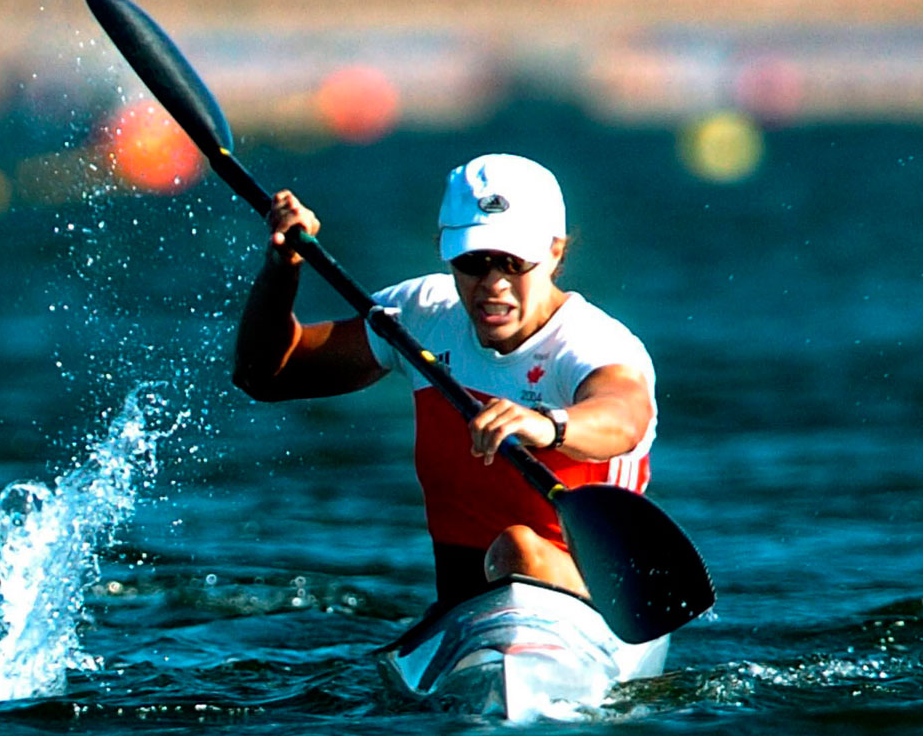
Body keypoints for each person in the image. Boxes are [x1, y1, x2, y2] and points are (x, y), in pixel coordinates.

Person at [232, 153, 656, 609]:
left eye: (513, 263)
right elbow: (264, 375)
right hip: (467, 609)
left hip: (597, 606)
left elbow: (625, 414)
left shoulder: (595, 342)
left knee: (520, 549)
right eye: (474, 262)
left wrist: (547, 426)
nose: (493, 283)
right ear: (446, 251)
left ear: (554, 252)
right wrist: (282, 267)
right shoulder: (421, 316)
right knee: (511, 553)